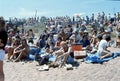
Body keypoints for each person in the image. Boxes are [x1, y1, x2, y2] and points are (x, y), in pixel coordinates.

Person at [0, 17, 8, 81]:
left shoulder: (3, 33)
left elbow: (2, 44)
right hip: (1, 51)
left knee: (0, 71)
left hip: (0, 52)